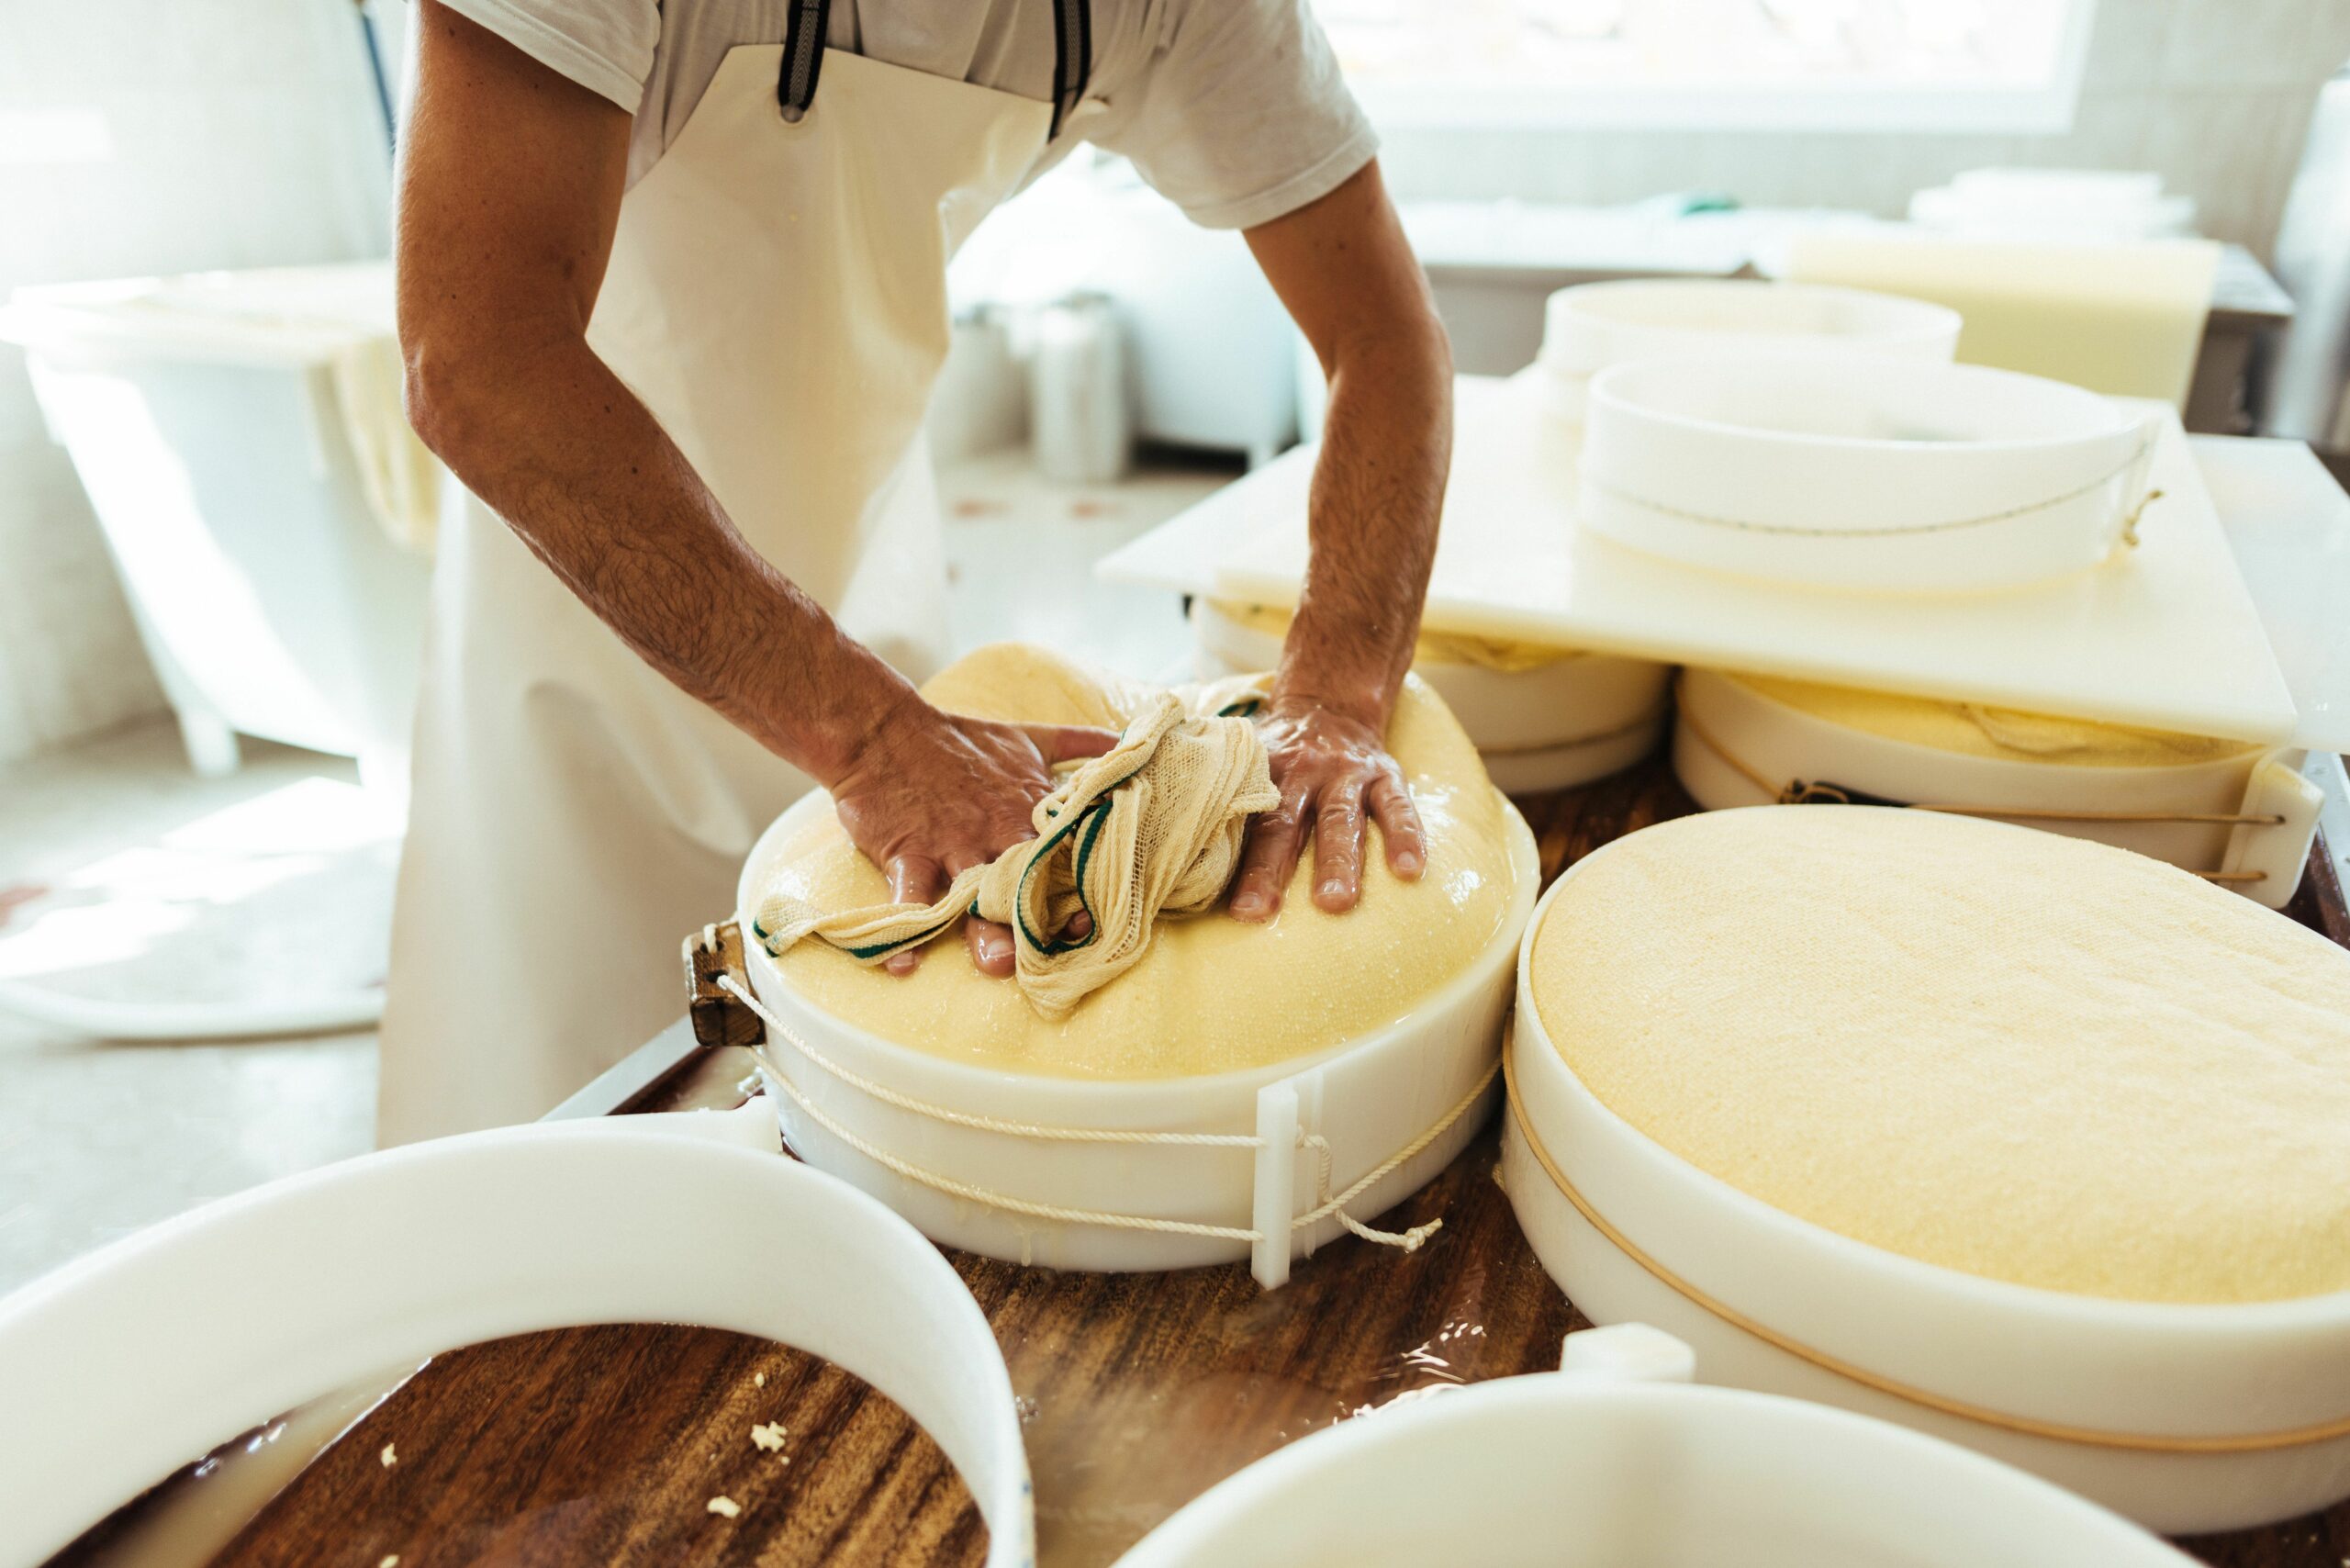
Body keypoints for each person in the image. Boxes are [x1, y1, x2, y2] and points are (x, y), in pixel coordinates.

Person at [383, 0, 1454, 1142]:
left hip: (857, 563)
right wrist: (870, 739)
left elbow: (1384, 336)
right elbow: (479, 357)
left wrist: (1336, 695)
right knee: (576, 1135)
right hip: (579, 609)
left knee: (873, 1108)